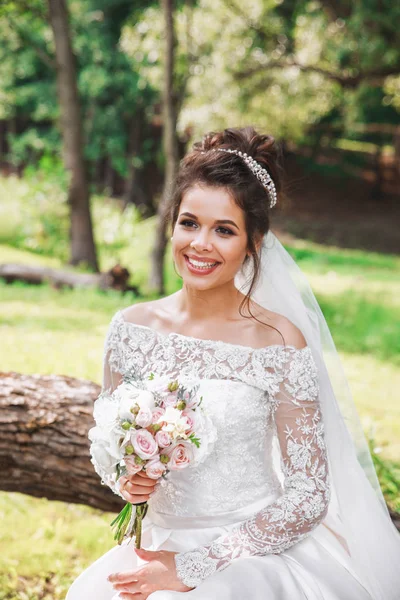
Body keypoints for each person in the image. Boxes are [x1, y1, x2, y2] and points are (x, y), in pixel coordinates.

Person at [66, 126, 400, 600]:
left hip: (249, 554)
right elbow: (111, 446)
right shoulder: (130, 328)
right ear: (172, 224)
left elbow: (308, 494)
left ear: (254, 242)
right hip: (156, 543)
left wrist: (196, 566)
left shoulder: (279, 341)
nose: (200, 243)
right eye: (189, 222)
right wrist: (129, 478)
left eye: (223, 230)